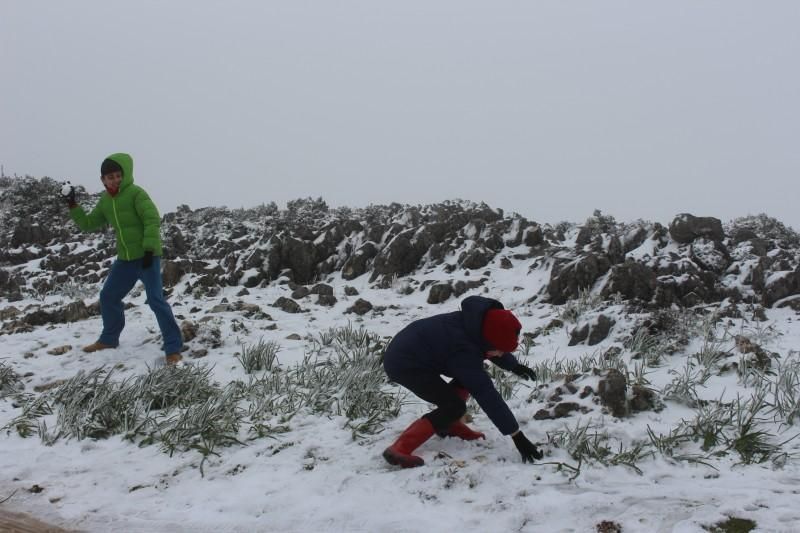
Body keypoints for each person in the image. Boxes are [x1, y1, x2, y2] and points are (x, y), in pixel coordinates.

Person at [382, 295, 542, 467]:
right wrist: (516, 435)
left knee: (465, 382)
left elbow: (488, 345)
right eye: (500, 351)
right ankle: (400, 448)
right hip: (404, 364)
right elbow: (486, 394)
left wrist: (514, 366)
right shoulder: (464, 350)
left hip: (413, 350)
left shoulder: (476, 325)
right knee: (453, 405)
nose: (501, 354)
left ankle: (449, 425)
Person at [62, 153, 184, 365]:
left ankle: (173, 348)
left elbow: (151, 220)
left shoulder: (136, 194)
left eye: (118, 175)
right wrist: (73, 204)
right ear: (103, 180)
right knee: (108, 296)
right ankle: (109, 339)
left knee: (156, 300)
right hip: (125, 260)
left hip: (147, 257)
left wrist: (149, 250)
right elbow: (89, 223)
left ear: (125, 175)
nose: (115, 179)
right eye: (110, 177)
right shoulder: (105, 201)